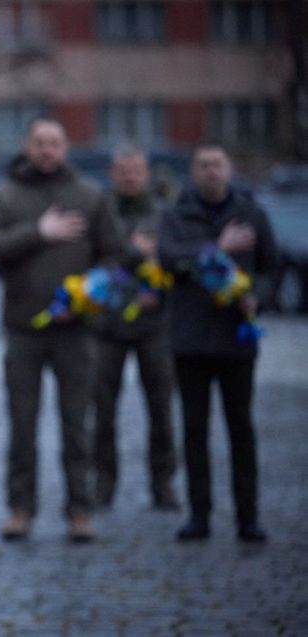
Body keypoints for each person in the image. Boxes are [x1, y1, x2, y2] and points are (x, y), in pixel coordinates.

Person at [0, 117, 121, 542]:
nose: (46, 150)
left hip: (76, 331)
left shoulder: (90, 196)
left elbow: (115, 256)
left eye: (54, 142)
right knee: (22, 425)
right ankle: (20, 509)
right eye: (39, 142)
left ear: (66, 146)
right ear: (28, 146)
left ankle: (80, 510)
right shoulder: (6, 195)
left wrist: (91, 291)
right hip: (23, 331)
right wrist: (38, 232)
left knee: (77, 425)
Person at [158, 143, 278, 543]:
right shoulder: (176, 217)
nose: (211, 172)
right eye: (204, 165)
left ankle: (248, 516)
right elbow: (169, 261)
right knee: (194, 430)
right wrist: (215, 249)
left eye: (218, 165)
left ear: (229, 169)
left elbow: (270, 268)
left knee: (240, 428)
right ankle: (199, 515)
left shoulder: (252, 214)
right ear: (192, 172)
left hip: (235, 340)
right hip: (190, 340)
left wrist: (257, 295)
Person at [91, 146, 178, 510]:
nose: (130, 176)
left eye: (137, 170)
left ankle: (163, 484)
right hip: (106, 326)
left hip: (154, 327)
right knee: (102, 413)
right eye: (123, 170)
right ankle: (103, 484)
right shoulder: (100, 212)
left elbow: (181, 262)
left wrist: (161, 291)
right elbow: (91, 262)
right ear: (112, 173)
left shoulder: (164, 215)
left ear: (146, 173)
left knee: (161, 410)